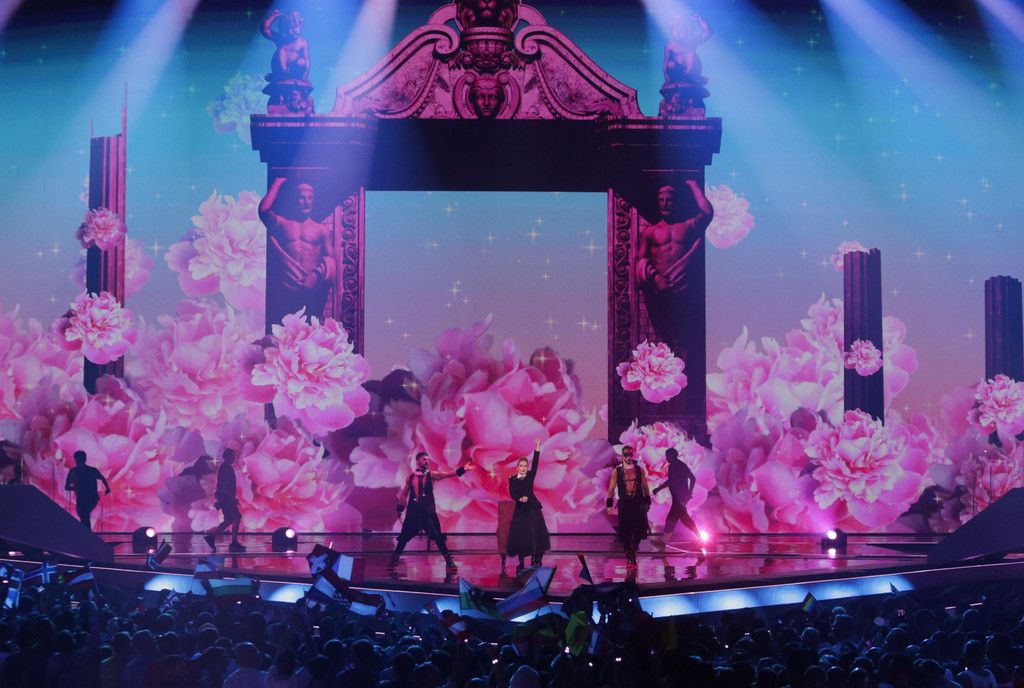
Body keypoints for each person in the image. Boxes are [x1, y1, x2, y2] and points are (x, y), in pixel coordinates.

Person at [635, 181, 713, 352]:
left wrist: (693, 185)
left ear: (676, 201)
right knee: (664, 336)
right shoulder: (650, 231)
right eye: (661, 200)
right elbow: (640, 261)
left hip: (684, 289)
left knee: (686, 339)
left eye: (669, 200)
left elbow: (707, 213)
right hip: (660, 292)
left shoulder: (688, 226)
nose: (665, 204)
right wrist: (656, 278)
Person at [259, 176, 335, 330]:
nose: (306, 202)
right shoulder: (282, 224)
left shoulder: (321, 230)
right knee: (284, 331)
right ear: (294, 199)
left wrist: (315, 276)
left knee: (309, 331)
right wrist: (278, 182)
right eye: (301, 197)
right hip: (286, 287)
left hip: (311, 289)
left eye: (310, 198)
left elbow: (330, 259)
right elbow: (264, 211)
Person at [389, 451, 476, 571]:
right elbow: (404, 494)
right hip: (413, 512)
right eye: (424, 459)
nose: (427, 461)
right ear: (418, 461)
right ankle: (394, 561)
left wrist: (463, 469)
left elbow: (446, 474)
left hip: (428, 512)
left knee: (438, 537)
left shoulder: (431, 475)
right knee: (403, 537)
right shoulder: (411, 478)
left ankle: (449, 562)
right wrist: (399, 508)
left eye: (428, 460)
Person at [506, 438, 550, 572]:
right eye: (521, 466)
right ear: (517, 467)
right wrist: (520, 499)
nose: (524, 468)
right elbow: (512, 492)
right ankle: (521, 561)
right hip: (521, 510)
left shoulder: (530, 475)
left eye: (525, 466)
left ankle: (536, 559)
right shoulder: (512, 479)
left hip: (532, 508)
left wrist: (537, 447)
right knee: (520, 534)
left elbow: (535, 463)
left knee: (535, 533)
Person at [606, 445, 651, 569]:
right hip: (624, 504)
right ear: (622, 456)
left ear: (633, 455)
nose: (628, 457)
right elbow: (611, 488)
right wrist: (609, 505)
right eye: (626, 455)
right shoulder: (617, 471)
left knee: (638, 530)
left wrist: (648, 501)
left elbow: (645, 486)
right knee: (625, 531)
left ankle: (632, 552)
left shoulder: (639, 470)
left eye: (630, 454)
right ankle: (630, 555)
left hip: (637, 503)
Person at [651, 447, 702, 543]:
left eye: (668, 456)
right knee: (680, 519)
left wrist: (689, 492)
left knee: (675, 519)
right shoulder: (673, 466)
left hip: (680, 498)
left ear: (673, 456)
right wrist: (658, 489)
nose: (666, 458)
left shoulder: (679, 465)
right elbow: (671, 481)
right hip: (677, 497)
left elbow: (692, 478)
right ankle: (663, 543)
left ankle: (663, 543)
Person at [204, 449, 245, 553]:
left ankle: (213, 536)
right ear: (227, 457)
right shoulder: (225, 468)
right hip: (226, 498)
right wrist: (231, 498)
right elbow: (224, 486)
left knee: (231, 519)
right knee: (235, 517)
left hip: (226, 498)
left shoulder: (226, 467)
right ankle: (232, 542)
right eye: (232, 456)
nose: (234, 458)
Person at [64, 450, 111, 531]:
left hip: (91, 498)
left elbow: (102, 478)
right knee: (84, 515)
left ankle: (86, 533)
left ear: (84, 459)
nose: (78, 461)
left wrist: (107, 488)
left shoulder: (90, 470)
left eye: (80, 459)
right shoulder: (75, 471)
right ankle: (86, 533)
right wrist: (76, 488)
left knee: (84, 514)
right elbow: (67, 486)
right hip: (82, 498)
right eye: (77, 459)